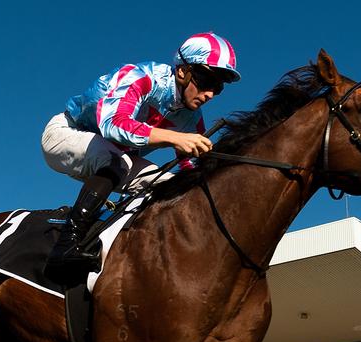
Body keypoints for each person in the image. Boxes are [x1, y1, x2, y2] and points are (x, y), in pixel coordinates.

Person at [41, 32, 240, 277]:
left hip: (114, 156)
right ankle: (65, 246)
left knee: (169, 185)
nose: (210, 94)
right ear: (182, 72)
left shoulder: (191, 118)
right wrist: (175, 138)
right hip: (66, 133)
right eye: (207, 81)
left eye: (218, 88)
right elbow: (113, 124)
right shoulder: (142, 77)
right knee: (116, 160)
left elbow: (190, 167)